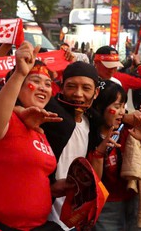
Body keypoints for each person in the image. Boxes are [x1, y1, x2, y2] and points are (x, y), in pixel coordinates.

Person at [0, 42, 63, 230]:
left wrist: (67, 186)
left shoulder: (39, 127)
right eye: (35, 81)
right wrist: (19, 73)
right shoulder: (5, 117)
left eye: (47, 84)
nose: (43, 88)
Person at [42, 61, 101, 229]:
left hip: (74, 215)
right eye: (71, 86)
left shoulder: (92, 123)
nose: (78, 94)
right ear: (61, 88)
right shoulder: (49, 115)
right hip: (45, 212)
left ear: (96, 93)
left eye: (86, 88)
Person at [88, 82, 138, 230]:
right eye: (117, 107)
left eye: (123, 106)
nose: (122, 111)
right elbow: (94, 183)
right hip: (107, 206)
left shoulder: (128, 131)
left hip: (132, 201)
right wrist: (100, 153)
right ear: (99, 107)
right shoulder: (89, 135)